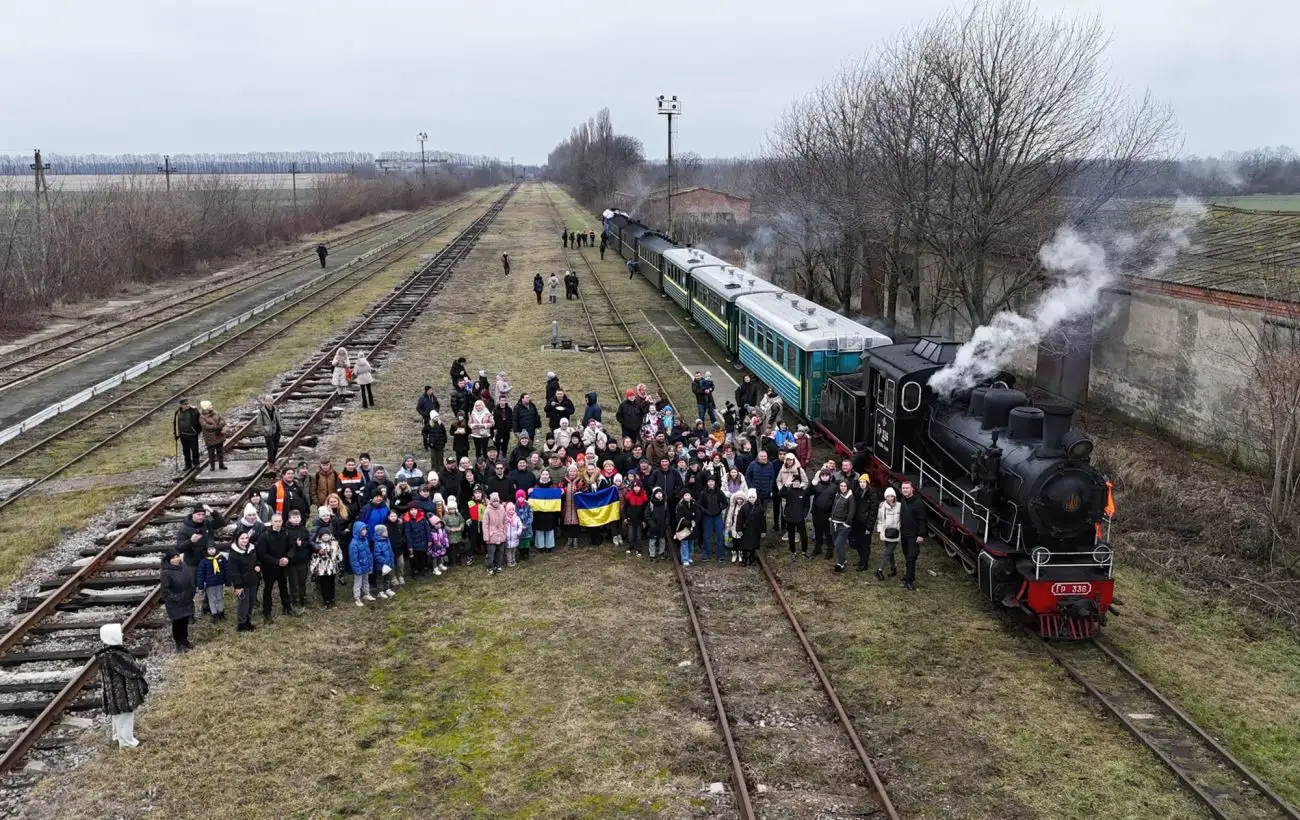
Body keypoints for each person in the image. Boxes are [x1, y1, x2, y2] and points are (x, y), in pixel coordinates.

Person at [95, 623, 148, 749]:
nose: (122, 635)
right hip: (123, 694)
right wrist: (142, 666)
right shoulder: (116, 656)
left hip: (113, 693)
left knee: (117, 717)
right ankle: (127, 743)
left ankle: (117, 737)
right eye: (119, 633)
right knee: (125, 717)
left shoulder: (105, 654)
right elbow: (135, 670)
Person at [256, 513, 296, 623]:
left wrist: (288, 558)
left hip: (283, 566)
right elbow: (262, 554)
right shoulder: (265, 536)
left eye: (279, 521)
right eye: (275, 521)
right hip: (270, 568)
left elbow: (292, 547)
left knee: (284, 587)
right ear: (271, 522)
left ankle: (287, 608)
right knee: (268, 590)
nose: (278, 523)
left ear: (282, 521)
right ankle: (267, 612)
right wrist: (277, 561)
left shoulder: (286, 533)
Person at [160, 550, 195, 652]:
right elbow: (165, 590)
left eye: (177, 557)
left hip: (186, 598)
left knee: (185, 620)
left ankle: (184, 639)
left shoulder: (184, 566)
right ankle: (178, 642)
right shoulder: (166, 572)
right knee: (177, 622)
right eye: (173, 558)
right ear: (168, 560)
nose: (176, 559)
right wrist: (177, 598)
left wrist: (191, 592)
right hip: (175, 602)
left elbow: (190, 580)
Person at [227, 530, 260, 632]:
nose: (245, 540)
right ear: (237, 539)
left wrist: (258, 566)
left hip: (253, 580)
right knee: (243, 604)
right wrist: (238, 586)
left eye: (246, 538)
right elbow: (233, 571)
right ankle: (241, 624)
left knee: (250, 602)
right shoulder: (234, 553)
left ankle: (248, 621)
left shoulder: (252, 548)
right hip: (242, 583)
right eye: (242, 538)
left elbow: (257, 560)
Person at [898, 481, 928, 591]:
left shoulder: (918, 503)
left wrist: (921, 535)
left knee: (911, 557)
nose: (905, 490)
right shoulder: (903, 500)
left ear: (912, 489)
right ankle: (909, 575)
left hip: (913, 535)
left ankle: (909, 581)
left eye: (907, 488)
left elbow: (923, 520)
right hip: (904, 533)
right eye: (903, 488)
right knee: (907, 555)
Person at [194, 542, 228, 624]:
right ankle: (214, 614)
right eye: (209, 549)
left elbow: (226, 569)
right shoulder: (204, 561)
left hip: (219, 582)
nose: (211, 551)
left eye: (213, 549)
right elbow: (200, 574)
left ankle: (220, 612)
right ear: (207, 551)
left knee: (220, 597)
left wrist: (228, 581)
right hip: (209, 584)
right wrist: (201, 585)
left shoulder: (221, 558)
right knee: (212, 599)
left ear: (216, 549)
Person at [780, 473, 810, 559]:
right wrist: (785, 486)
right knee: (791, 536)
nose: (796, 483)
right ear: (792, 482)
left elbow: (807, 505)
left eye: (798, 481)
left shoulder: (804, 492)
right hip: (790, 518)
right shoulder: (789, 491)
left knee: (803, 536)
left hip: (800, 518)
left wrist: (804, 515)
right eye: (794, 481)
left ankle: (804, 551)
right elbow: (780, 494)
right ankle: (793, 551)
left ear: (800, 483)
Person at [310, 531, 342, 608]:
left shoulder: (334, 543)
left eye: (327, 535)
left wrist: (339, 562)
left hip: (332, 568)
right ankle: (326, 601)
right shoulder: (317, 545)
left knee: (331, 584)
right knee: (324, 585)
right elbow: (313, 557)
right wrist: (313, 569)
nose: (325, 537)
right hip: (322, 569)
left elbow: (339, 553)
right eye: (323, 535)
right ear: (320, 536)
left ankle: (332, 599)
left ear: (330, 535)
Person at [875, 487, 902, 580]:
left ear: (895, 497)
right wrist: (879, 531)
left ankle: (879, 570)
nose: (890, 498)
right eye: (888, 496)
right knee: (890, 552)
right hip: (886, 533)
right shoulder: (882, 506)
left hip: (896, 533)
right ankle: (893, 568)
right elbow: (880, 520)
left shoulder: (900, 506)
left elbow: (903, 520)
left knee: (887, 552)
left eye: (892, 496)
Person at [830, 480, 856, 573]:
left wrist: (846, 523)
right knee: (836, 544)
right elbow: (834, 507)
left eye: (845, 486)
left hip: (843, 525)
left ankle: (840, 564)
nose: (843, 487)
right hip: (833, 523)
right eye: (841, 486)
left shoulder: (850, 497)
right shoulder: (837, 495)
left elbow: (852, 511)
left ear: (848, 487)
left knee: (838, 544)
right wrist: (831, 517)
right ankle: (843, 560)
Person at [737, 488, 764, 566]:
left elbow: (763, 520)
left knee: (754, 546)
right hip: (745, 530)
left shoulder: (760, 508)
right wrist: (738, 529)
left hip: (756, 530)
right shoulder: (744, 507)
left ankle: (752, 559)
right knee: (744, 546)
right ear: (748, 498)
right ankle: (744, 559)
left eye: (753, 497)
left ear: (755, 498)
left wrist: (763, 531)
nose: (751, 499)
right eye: (750, 497)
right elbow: (739, 519)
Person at [197, 400, 226, 470]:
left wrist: (220, 425)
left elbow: (222, 420)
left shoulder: (216, 412)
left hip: (218, 436)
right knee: (211, 453)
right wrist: (216, 427)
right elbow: (205, 426)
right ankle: (212, 466)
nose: (212, 406)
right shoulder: (201, 417)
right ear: (206, 407)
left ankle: (221, 464)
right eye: (210, 405)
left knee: (220, 451)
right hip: (210, 437)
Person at [350, 521, 374, 604]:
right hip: (359, 567)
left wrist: (370, 563)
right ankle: (357, 598)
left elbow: (368, 553)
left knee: (366, 580)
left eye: (365, 529)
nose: (365, 531)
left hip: (366, 565)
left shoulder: (365, 540)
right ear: (357, 530)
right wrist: (357, 568)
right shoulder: (354, 543)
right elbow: (354, 558)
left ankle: (366, 593)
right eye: (362, 529)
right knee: (358, 583)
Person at [173, 398, 201, 470]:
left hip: (192, 434)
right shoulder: (177, 413)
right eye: (185, 404)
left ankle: (196, 463)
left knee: (195, 450)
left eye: (187, 404)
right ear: (181, 405)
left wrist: (197, 431)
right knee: (186, 451)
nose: (187, 405)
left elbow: (199, 420)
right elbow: (175, 423)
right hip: (183, 435)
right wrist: (176, 434)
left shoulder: (193, 411)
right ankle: (188, 464)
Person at [256, 396, 283, 468]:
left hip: (276, 432)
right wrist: (264, 431)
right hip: (268, 433)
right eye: (268, 401)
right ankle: (270, 465)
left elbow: (279, 419)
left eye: (271, 401)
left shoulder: (276, 409)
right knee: (271, 448)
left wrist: (281, 428)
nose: (270, 403)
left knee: (275, 448)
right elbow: (259, 424)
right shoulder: (261, 411)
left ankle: (273, 462)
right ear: (264, 402)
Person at [372, 524, 397, 598]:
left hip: (388, 564)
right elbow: (376, 555)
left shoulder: (387, 540)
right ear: (380, 533)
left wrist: (391, 558)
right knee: (380, 578)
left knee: (387, 577)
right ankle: (380, 591)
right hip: (381, 566)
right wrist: (384, 561)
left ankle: (387, 589)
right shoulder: (378, 543)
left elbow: (389, 551)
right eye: (385, 531)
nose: (387, 532)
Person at [674, 490, 698, 567]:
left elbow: (698, 514)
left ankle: (690, 557)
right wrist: (688, 522)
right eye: (685, 495)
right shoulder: (680, 506)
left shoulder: (694, 504)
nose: (687, 497)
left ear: (691, 496)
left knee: (691, 543)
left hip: (692, 527)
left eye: (688, 495)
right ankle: (685, 559)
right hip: (683, 527)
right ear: (683, 497)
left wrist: (695, 520)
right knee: (684, 543)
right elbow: (679, 517)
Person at [645, 486, 668, 561]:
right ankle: (652, 554)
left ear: (662, 494)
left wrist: (667, 522)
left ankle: (661, 553)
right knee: (652, 540)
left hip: (662, 525)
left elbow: (667, 514)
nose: (659, 494)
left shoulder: (664, 503)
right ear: (654, 494)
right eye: (657, 493)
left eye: (660, 493)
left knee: (662, 540)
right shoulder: (651, 503)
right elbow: (647, 514)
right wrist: (651, 523)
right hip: (653, 525)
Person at [514, 490, 533, 562]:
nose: (520, 498)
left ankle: (526, 553)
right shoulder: (515, 506)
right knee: (521, 541)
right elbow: (514, 516)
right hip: (519, 528)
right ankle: (521, 554)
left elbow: (531, 516)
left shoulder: (528, 505)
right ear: (517, 498)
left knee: (526, 541)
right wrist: (519, 525)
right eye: (519, 497)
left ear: (524, 497)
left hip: (527, 527)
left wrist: (526, 525)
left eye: (522, 496)